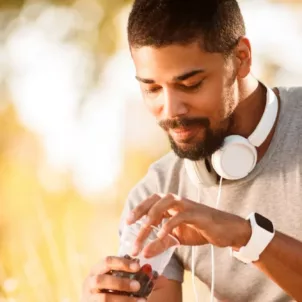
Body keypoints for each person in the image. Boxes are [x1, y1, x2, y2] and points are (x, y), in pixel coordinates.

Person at [82, 0, 302, 301]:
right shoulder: (158, 194)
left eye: (191, 84)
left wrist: (246, 237)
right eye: (153, 89)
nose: (171, 111)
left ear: (241, 58)